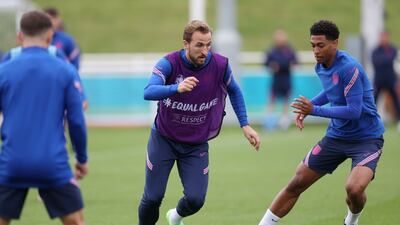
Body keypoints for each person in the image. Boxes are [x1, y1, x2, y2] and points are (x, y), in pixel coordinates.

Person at [257, 20, 385, 225]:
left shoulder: (349, 68)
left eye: (321, 45)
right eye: (313, 45)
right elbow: (331, 90)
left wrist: (314, 110)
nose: (316, 50)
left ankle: (351, 221)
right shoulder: (321, 65)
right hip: (336, 137)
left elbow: (354, 111)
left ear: (335, 43)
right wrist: (309, 107)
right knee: (296, 182)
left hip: (366, 139)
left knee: (354, 189)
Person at [138, 20, 260, 225]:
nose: (205, 50)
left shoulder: (220, 65)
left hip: (195, 144)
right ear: (185, 44)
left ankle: (175, 217)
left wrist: (245, 124)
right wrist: (175, 88)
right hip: (164, 140)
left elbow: (235, 91)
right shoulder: (168, 63)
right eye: (199, 45)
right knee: (152, 198)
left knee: (196, 200)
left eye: (208, 44)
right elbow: (148, 92)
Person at [0, 11, 88, 225]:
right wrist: (81, 158)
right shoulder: (65, 71)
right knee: (76, 221)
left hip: (12, 162)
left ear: (20, 37)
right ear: (50, 37)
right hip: (52, 163)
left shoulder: (3, 71)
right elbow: (76, 121)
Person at [264, 29, 297, 130]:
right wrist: (272, 66)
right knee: (271, 100)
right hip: (276, 79)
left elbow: (295, 62)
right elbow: (266, 62)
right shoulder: (272, 51)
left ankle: (284, 123)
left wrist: (288, 65)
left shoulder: (289, 50)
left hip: (286, 79)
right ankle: (269, 123)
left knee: (286, 101)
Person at [371, 31, 400, 131]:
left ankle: (398, 121)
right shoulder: (375, 50)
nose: (384, 39)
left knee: (396, 101)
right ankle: (370, 122)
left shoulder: (392, 49)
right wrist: (387, 59)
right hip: (379, 80)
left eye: (385, 37)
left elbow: (393, 58)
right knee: (373, 102)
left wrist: (384, 60)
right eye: (382, 37)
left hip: (390, 80)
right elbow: (376, 62)